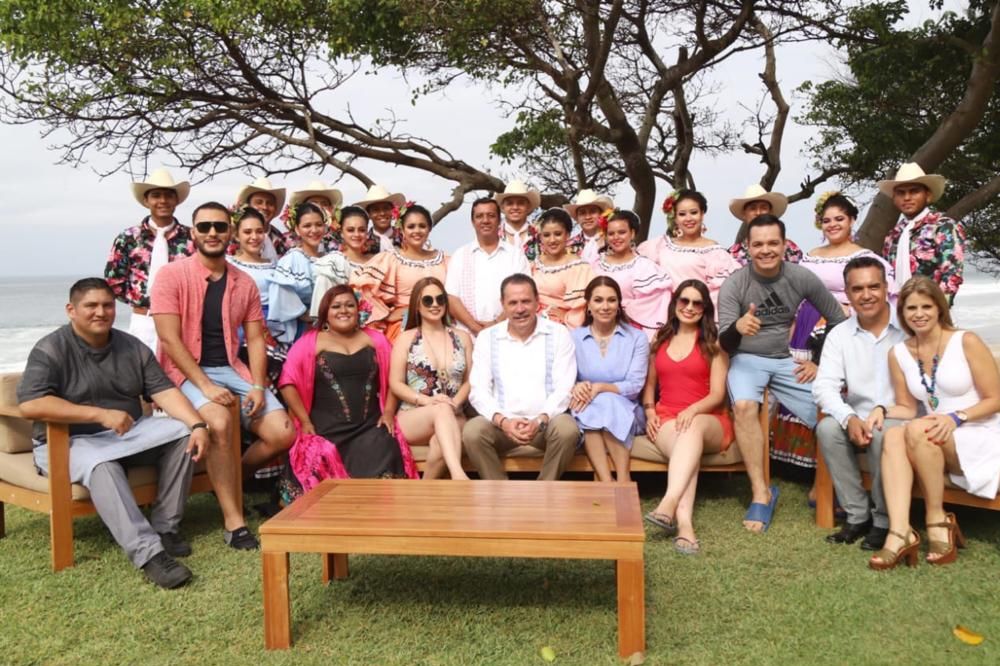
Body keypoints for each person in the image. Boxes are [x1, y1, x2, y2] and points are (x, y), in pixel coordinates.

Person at [17, 278, 209, 588]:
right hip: (68, 441)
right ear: (71, 310)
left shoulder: (132, 346)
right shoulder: (50, 348)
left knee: (184, 434)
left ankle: (165, 527)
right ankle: (150, 554)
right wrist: (99, 414)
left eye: (107, 305)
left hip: (125, 436)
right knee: (102, 465)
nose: (101, 312)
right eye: (91, 305)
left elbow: (163, 390)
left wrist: (197, 424)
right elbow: (31, 404)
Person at [151, 202, 296, 549]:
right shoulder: (171, 275)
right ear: (193, 232)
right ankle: (234, 522)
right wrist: (205, 386)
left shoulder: (243, 282)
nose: (212, 232)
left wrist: (258, 385)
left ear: (230, 231)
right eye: (205, 227)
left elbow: (256, 338)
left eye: (219, 226)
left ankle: (231, 480)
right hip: (186, 371)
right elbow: (169, 339)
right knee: (218, 421)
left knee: (282, 433)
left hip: (232, 369)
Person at [718, 214, 846, 532]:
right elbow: (724, 342)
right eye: (758, 244)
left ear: (784, 244)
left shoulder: (800, 277)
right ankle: (761, 493)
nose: (766, 250)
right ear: (747, 247)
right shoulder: (735, 284)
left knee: (829, 410)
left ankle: (821, 487)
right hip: (746, 359)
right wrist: (738, 327)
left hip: (784, 360)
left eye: (773, 243)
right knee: (744, 406)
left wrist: (819, 362)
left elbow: (838, 320)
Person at [868, 277, 1000, 570]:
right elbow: (906, 407)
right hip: (933, 433)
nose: (919, 314)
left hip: (979, 430)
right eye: (911, 308)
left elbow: (995, 399)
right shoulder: (898, 353)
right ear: (902, 313)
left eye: (926, 306)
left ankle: (937, 519)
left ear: (940, 308)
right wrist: (880, 408)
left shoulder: (965, 341)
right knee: (893, 436)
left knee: (919, 428)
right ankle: (899, 532)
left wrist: (956, 417)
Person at [774, 194, 897, 479]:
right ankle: (794, 461)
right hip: (803, 327)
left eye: (839, 219)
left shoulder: (865, 258)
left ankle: (829, 463)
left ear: (852, 220)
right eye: (827, 220)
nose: (832, 225)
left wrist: (844, 311)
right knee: (797, 380)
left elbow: (880, 298)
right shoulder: (811, 256)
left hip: (839, 327)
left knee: (828, 383)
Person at [277, 285, 419, 501]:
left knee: (386, 446)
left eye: (349, 305)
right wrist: (304, 421)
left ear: (358, 309)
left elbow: (394, 379)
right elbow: (288, 383)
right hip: (325, 429)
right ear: (325, 312)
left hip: (369, 425)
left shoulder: (376, 339)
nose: (343, 310)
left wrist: (389, 412)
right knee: (317, 458)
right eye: (336, 306)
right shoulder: (309, 342)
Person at [813, 257, 906, 551]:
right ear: (847, 293)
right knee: (827, 428)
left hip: (901, 416)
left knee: (883, 432)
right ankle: (857, 515)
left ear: (886, 287)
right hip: (859, 415)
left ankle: (884, 519)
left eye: (873, 287)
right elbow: (823, 386)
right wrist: (848, 417)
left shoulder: (907, 327)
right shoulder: (840, 334)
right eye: (857, 289)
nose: (866, 295)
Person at [642, 280, 733, 553]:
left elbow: (717, 394)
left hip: (709, 418)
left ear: (705, 309)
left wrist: (692, 410)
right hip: (667, 418)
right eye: (684, 301)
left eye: (697, 303)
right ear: (675, 304)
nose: (690, 307)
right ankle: (684, 526)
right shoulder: (660, 340)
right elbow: (649, 386)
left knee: (691, 428)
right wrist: (649, 411)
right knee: (686, 445)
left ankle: (668, 502)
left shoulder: (714, 343)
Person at [463, 274, 580, 480]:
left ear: (537, 302)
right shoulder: (487, 337)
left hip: (545, 423)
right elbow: (478, 390)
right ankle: (499, 490)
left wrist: (540, 420)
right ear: (503, 304)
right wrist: (503, 421)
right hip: (502, 426)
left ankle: (544, 490)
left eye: (526, 301)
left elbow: (564, 388)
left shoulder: (559, 333)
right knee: (473, 431)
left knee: (567, 429)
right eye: (513, 303)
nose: (520, 309)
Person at [389, 278, 473, 480]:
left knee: (439, 443)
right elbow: (395, 383)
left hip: (455, 412)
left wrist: (454, 403)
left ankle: (423, 492)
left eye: (440, 299)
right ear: (417, 306)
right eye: (428, 300)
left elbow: (470, 381)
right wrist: (427, 401)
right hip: (414, 415)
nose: (435, 304)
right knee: (441, 410)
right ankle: (459, 476)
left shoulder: (462, 337)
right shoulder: (406, 338)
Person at [570, 276, 649, 483]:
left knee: (604, 402)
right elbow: (567, 378)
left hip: (628, 409)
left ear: (619, 304)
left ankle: (616, 480)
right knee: (592, 408)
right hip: (585, 406)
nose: (605, 307)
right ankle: (612, 482)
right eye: (598, 300)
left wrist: (601, 387)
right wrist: (576, 387)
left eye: (611, 300)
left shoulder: (637, 337)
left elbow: (635, 385)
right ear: (588, 305)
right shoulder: (573, 338)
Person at [104, 168, 193, 352]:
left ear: (176, 200)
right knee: (140, 367)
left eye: (169, 195)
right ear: (146, 200)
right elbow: (114, 281)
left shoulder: (192, 237)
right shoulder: (128, 237)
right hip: (143, 322)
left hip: (182, 320)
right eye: (156, 195)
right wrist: (140, 301)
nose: (163, 201)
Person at [351, 204, 449, 343]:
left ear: (429, 229)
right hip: (406, 325)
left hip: (442, 322)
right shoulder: (391, 259)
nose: (417, 231)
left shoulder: (445, 260)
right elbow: (360, 288)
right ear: (402, 229)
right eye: (411, 226)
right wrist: (386, 315)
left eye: (422, 226)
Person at [637, 189, 739, 311]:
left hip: (695, 312)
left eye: (694, 212)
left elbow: (720, 292)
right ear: (675, 218)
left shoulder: (715, 252)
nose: (688, 218)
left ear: (702, 214)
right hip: (663, 313)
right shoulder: (659, 246)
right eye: (682, 214)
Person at [878, 162, 965, 302]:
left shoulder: (943, 227)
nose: (907, 197)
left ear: (928, 195)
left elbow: (952, 275)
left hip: (931, 309)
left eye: (914, 191)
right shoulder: (893, 235)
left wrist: (937, 308)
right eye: (901, 193)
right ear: (894, 198)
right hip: (897, 309)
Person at [445, 196, 530, 335]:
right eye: (479, 216)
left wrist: (496, 324)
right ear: (472, 221)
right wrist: (475, 328)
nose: (485, 220)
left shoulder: (515, 255)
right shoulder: (460, 255)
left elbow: (524, 294)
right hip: (468, 335)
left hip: (509, 333)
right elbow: (451, 297)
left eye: (491, 215)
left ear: (499, 220)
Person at [592, 209, 672, 338]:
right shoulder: (596, 265)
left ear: (632, 233)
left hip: (631, 330)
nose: (616, 237)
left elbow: (654, 304)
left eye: (622, 232)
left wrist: (620, 311)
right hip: (598, 328)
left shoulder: (644, 266)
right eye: (611, 233)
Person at [267, 202, 330, 344]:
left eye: (318, 225)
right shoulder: (291, 260)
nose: (314, 230)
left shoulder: (330, 258)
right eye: (307, 226)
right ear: (297, 229)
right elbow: (281, 294)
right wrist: (305, 315)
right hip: (303, 329)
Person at [530, 208, 594, 328]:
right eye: (546, 235)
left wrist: (566, 317)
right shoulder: (534, 265)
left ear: (567, 235)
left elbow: (584, 307)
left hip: (562, 327)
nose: (552, 240)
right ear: (540, 237)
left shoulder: (578, 267)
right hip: (532, 321)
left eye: (558, 234)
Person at [310, 205, 377, 321]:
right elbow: (322, 306)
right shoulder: (333, 263)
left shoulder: (377, 260)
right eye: (350, 230)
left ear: (367, 232)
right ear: (341, 232)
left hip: (379, 322)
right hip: (342, 324)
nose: (356, 234)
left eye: (362, 230)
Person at [727, 184, 803, 264]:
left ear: (770, 212)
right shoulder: (733, 255)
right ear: (744, 214)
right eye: (753, 208)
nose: (758, 212)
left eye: (763, 208)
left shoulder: (790, 249)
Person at [234, 176, 288, 260]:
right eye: (259, 202)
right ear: (248, 206)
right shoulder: (232, 236)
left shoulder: (282, 240)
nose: (264, 207)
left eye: (270, 203)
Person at [285, 179, 344, 252]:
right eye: (313, 203)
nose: (319, 207)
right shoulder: (288, 239)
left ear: (330, 208)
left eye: (324, 204)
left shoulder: (342, 234)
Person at [494, 180, 542, 257]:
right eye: (510, 203)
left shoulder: (540, 234)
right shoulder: (493, 235)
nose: (515, 207)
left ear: (528, 206)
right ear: (503, 207)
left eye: (520, 203)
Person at [564, 189, 613, 263]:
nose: (588, 217)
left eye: (592, 211)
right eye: (582, 213)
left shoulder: (613, 241)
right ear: (577, 218)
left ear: (601, 215)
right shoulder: (568, 246)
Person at [354, 184, 406, 252]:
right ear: (369, 214)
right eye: (376, 210)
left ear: (393, 211)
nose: (382, 213)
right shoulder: (362, 242)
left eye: (386, 208)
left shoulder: (405, 238)